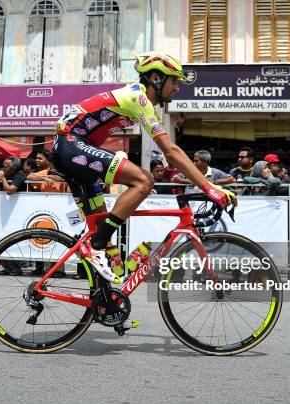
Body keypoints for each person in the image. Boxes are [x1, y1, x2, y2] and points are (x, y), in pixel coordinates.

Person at [52, 51, 235, 283]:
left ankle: (107, 305)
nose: (177, 88)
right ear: (157, 79)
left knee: (104, 238)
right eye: (174, 81)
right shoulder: (138, 98)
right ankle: (94, 245)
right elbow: (171, 151)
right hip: (71, 145)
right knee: (144, 180)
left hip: (71, 147)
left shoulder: (140, 99)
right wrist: (210, 188)